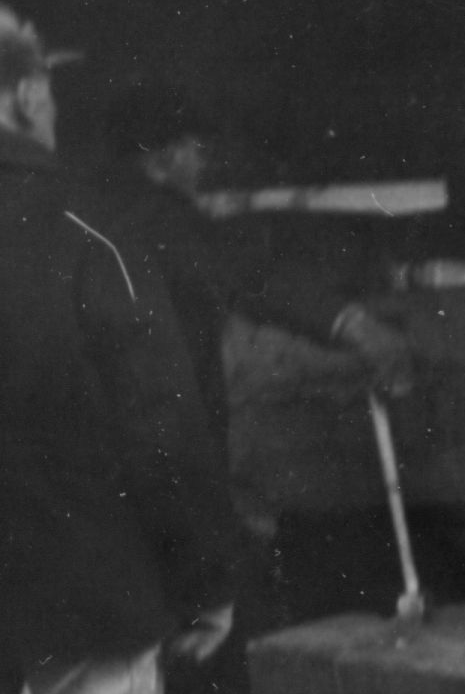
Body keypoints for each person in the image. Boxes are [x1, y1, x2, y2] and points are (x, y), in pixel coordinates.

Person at [0, 12, 240, 694]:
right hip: (78, 577)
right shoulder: (83, 231)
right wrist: (203, 576)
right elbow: (162, 427)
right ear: (25, 96)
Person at [98, 78, 413, 444]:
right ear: (163, 161)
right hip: (172, 409)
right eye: (193, 148)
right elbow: (250, 279)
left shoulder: (111, 213)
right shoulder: (164, 220)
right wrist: (351, 324)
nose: (203, 159)